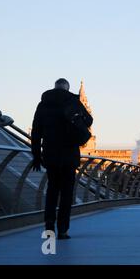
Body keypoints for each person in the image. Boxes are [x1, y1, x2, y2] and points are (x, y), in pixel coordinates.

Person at [31, 78, 93, 240]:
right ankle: (63, 230)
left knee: (52, 191)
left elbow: (36, 132)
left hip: (50, 154)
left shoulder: (43, 104)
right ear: (67, 88)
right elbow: (89, 120)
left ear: (54, 88)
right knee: (66, 194)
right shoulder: (72, 101)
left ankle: (49, 226)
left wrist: (36, 155)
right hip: (69, 155)